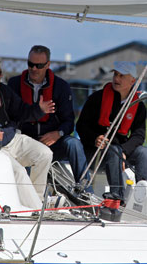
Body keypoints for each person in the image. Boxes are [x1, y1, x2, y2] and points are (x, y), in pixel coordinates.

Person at [8, 45, 92, 191]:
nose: (33, 69)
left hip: (54, 142)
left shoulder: (61, 87)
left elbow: (69, 122)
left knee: (74, 144)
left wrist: (58, 134)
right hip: (26, 142)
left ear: (48, 65)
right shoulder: (14, 84)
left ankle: (86, 191)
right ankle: (28, 197)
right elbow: (11, 116)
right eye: (30, 64)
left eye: (39, 65)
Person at [0, 58, 56, 206]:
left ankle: (38, 199)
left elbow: (21, 111)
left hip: (11, 138)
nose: (2, 76)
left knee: (45, 154)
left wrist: (39, 110)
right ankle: (35, 209)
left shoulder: (3, 91)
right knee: (19, 172)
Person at [76, 61, 147, 201]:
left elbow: (139, 135)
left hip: (119, 151)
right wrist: (95, 138)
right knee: (114, 150)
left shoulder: (139, 106)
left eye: (122, 76)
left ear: (132, 81)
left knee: (144, 153)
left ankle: (146, 198)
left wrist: (124, 151)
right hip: (94, 152)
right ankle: (117, 197)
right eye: (115, 74)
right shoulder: (96, 99)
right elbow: (81, 126)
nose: (116, 79)